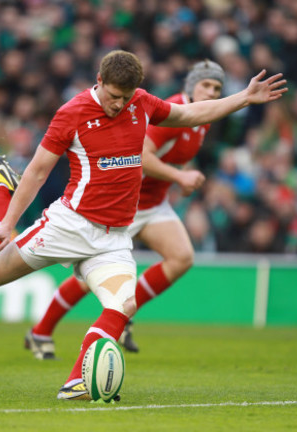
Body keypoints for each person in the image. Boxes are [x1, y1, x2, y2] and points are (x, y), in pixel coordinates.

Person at [0, 50, 287, 401]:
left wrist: (244, 97)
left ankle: (77, 381)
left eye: (125, 98)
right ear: (99, 80)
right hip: (69, 226)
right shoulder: (72, 113)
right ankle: (3, 187)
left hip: (114, 237)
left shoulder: (141, 102)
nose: (118, 105)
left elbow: (186, 113)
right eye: (112, 96)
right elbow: (38, 170)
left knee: (123, 305)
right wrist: (9, 223)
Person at [25, 60, 228, 360]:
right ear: (190, 85)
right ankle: (41, 331)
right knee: (90, 280)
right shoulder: (172, 109)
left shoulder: (202, 121)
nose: (211, 92)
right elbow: (142, 156)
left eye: (217, 88)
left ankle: (125, 316)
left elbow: (171, 157)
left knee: (182, 257)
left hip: (153, 204)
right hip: (123, 206)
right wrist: (179, 177)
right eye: (206, 86)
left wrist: (180, 175)